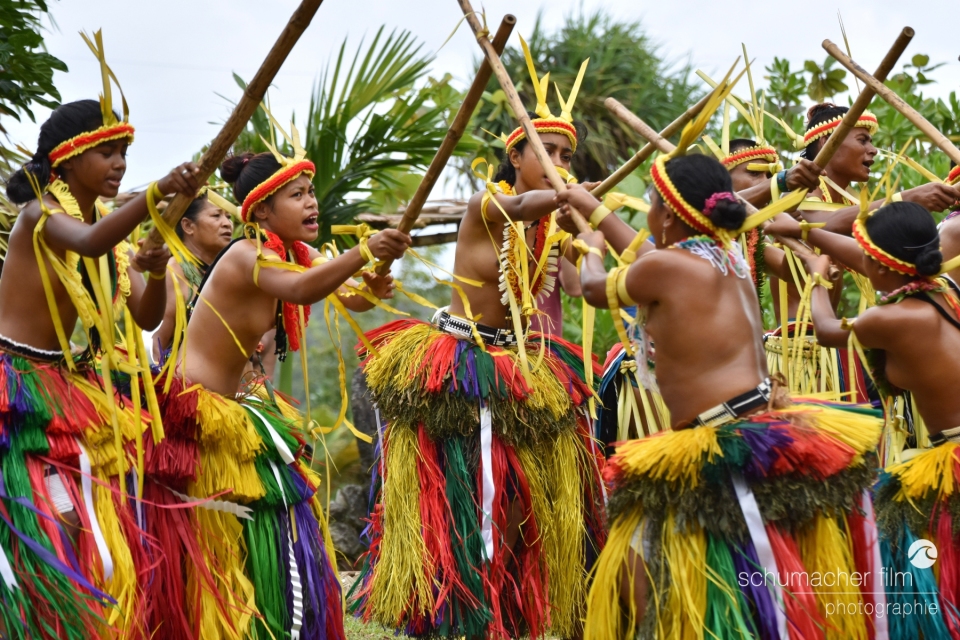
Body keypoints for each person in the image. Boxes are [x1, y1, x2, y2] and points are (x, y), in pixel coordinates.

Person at [558, 151, 884, 639]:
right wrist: (592, 209)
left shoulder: (670, 266)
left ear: (668, 215)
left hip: (723, 440)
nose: (647, 216)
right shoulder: (727, 255)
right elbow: (647, 259)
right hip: (753, 424)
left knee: (650, 571)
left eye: (651, 204)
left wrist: (589, 246)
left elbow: (594, 288)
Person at [350, 49, 606, 640]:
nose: (558, 164)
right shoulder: (487, 203)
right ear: (515, 156)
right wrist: (571, 196)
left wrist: (586, 232)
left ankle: (501, 604)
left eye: (566, 156)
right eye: (547, 152)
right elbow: (521, 205)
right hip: (459, 363)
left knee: (517, 491)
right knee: (460, 490)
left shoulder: (553, 224)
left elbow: (578, 284)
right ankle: (445, 599)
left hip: (519, 365)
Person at [149, 136, 410, 640]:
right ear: (262, 210)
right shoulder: (245, 255)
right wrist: (363, 250)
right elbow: (300, 289)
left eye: (310, 192)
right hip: (196, 414)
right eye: (298, 194)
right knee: (211, 543)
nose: (312, 202)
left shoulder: (294, 253)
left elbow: (347, 296)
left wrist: (372, 284)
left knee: (272, 521)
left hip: (239, 408)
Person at [0, 86, 200, 638]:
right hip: (14, 385)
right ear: (66, 159)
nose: (120, 165)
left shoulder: (106, 231)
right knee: (44, 522)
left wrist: (154, 270)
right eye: (107, 152)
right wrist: (158, 192)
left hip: (61, 385)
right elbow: (87, 242)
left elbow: (145, 316)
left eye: (124, 153)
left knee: (76, 525)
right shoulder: (41, 215)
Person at [783, 201, 960, 637]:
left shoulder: (892, 317)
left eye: (866, 256)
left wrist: (817, 278)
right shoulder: (946, 288)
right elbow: (867, 257)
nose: (860, 261)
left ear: (881, 266)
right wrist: (803, 232)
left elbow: (827, 331)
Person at [151, 191, 234, 361]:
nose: (227, 224)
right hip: (182, 376)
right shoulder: (174, 273)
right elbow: (154, 345)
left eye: (229, 217)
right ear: (188, 226)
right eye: (216, 215)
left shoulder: (225, 272)